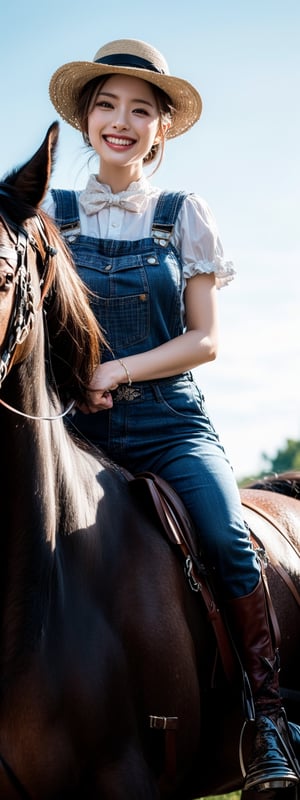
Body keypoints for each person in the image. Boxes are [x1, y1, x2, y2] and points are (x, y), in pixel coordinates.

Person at [47, 38, 300, 792]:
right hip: (75, 429)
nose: (120, 121)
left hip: (168, 425)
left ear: (163, 129)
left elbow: (206, 339)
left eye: (140, 110)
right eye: (107, 105)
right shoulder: (50, 217)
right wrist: (73, 382)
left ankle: (270, 723)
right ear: (87, 118)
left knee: (226, 538)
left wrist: (115, 369)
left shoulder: (183, 213)